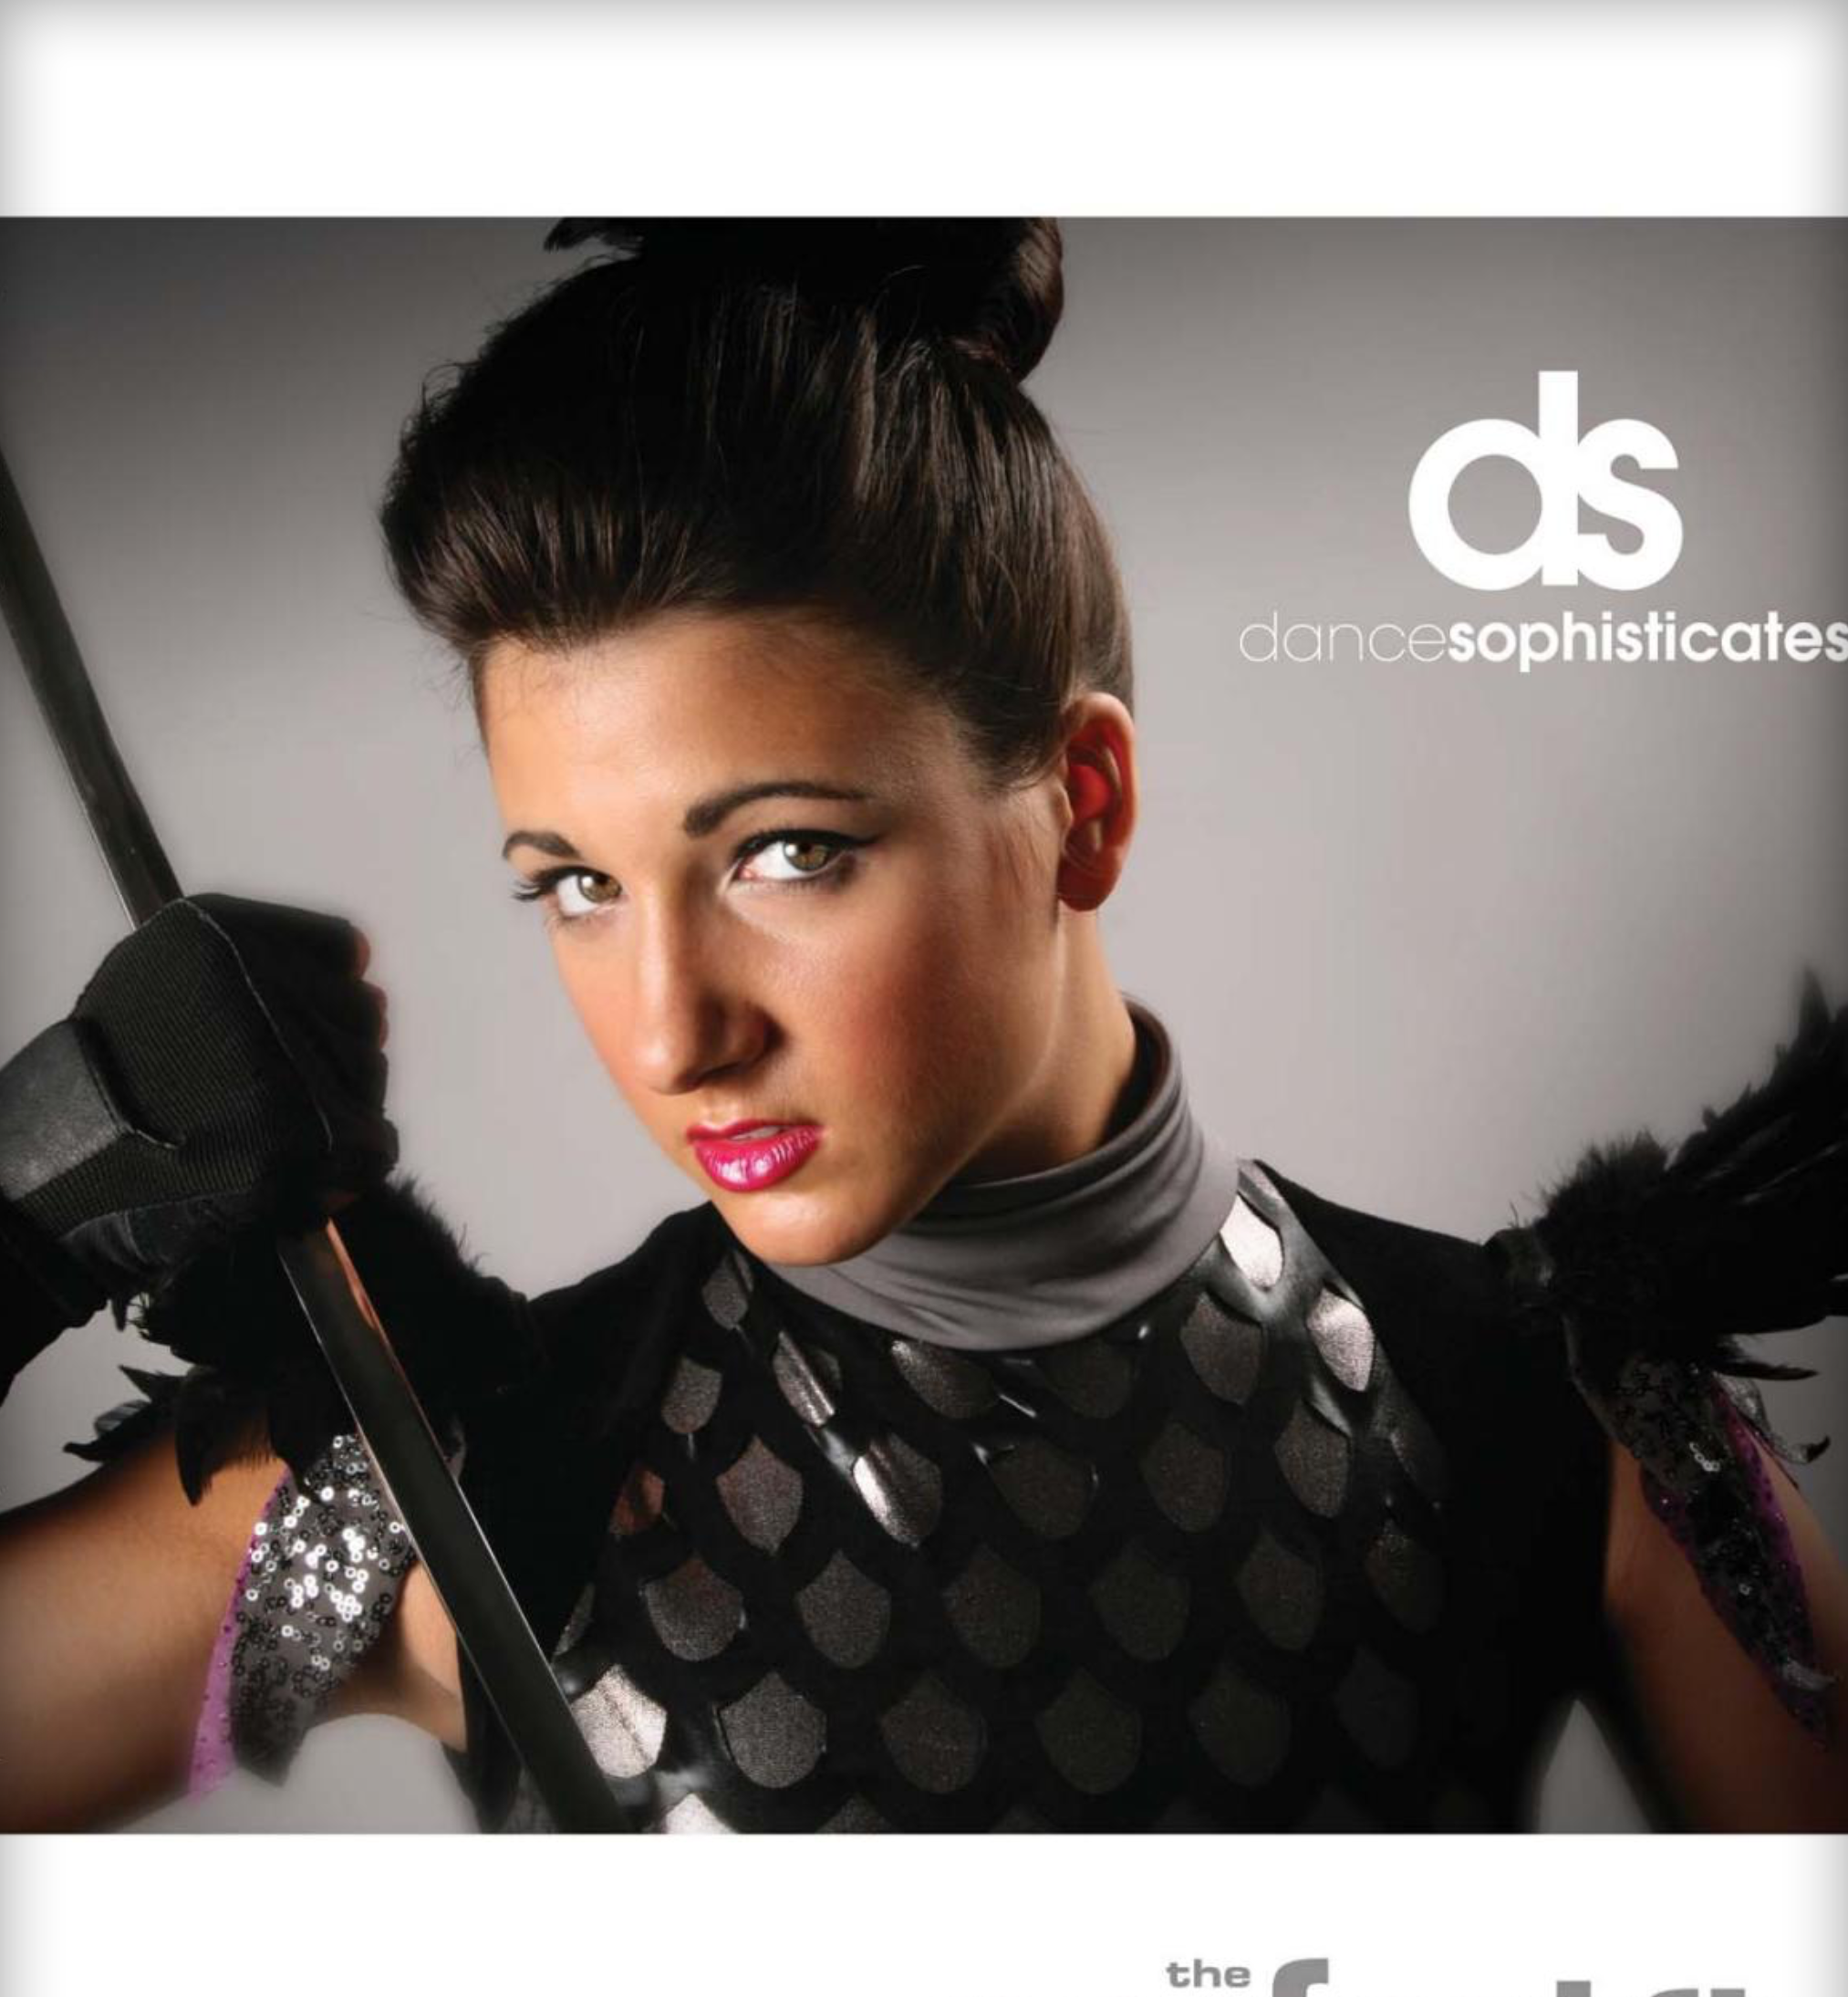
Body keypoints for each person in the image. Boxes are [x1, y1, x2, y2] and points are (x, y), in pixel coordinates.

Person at [1, 218, 1844, 1836]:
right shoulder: (463, 1492)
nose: (672, 1032)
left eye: (785, 853)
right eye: (574, 884)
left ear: (1082, 804)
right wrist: (30, 1197)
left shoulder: (1555, 1418)